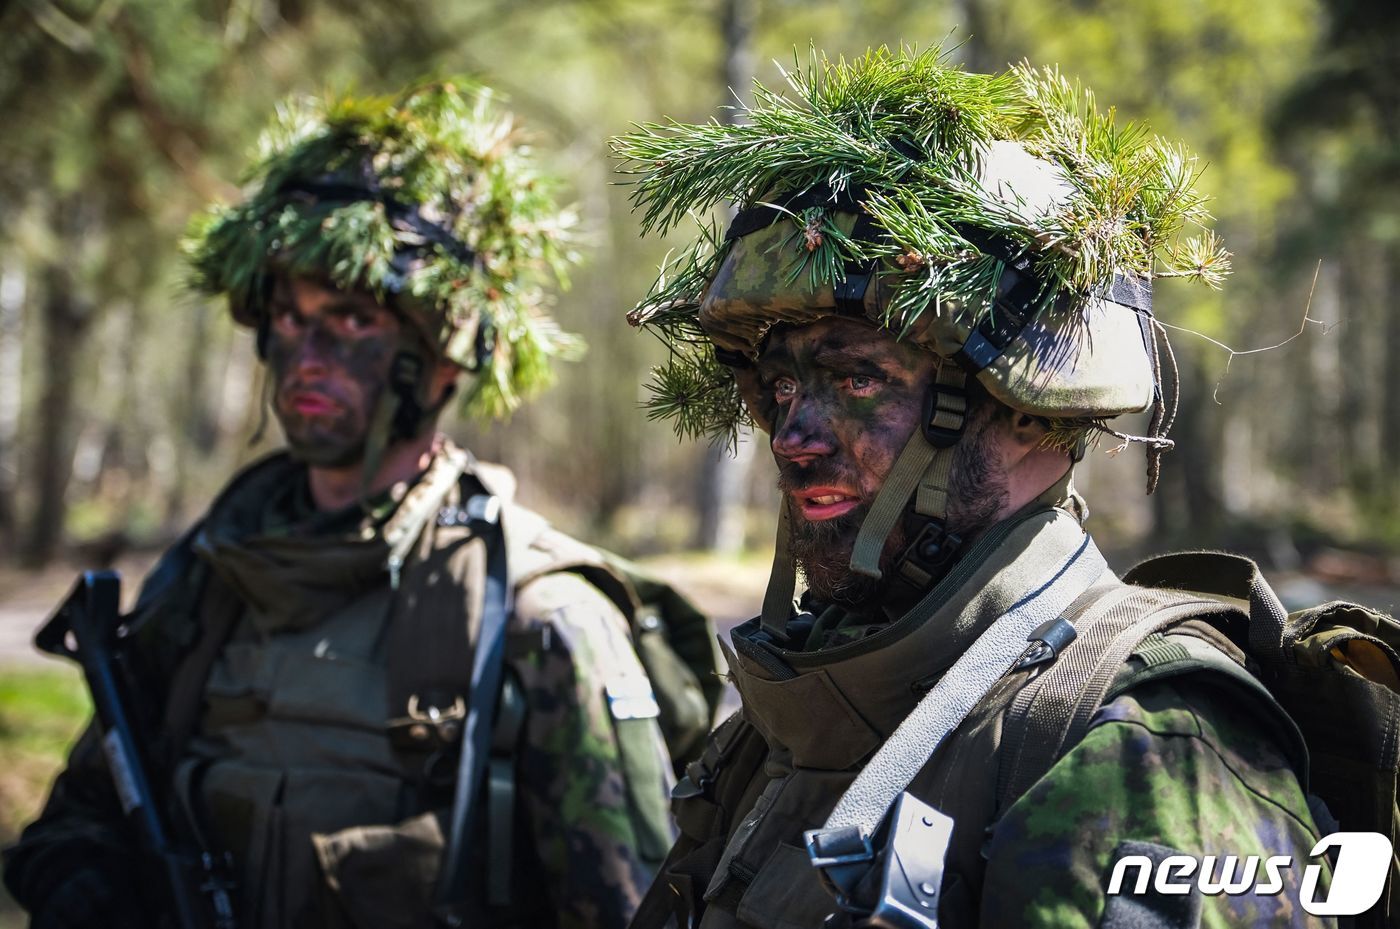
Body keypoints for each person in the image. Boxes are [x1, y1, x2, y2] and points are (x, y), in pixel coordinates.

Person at [612, 49, 1335, 928]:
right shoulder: (793, 714)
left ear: (1027, 410)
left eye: (859, 381)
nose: (793, 436)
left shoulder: (1139, 750)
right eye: (783, 387)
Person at [5, 78, 714, 929]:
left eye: (350, 321)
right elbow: (83, 807)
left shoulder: (537, 613)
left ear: (443, 357)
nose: (307, 354)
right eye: (291, 318)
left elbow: (637, 912)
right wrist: (83, 877)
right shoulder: (214, 572)